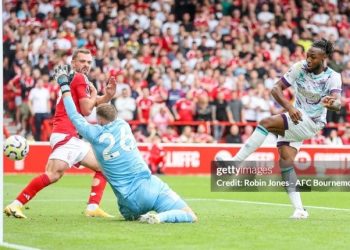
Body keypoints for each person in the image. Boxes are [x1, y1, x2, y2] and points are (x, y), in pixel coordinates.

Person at [216, 39, 342, 219]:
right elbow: (276, 89)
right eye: (307, 55)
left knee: (266, 122)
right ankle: (299, 209)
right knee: (285, 162)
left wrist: (333, 104)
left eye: (313, 57)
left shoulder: (333, 76)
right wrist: (289, 108)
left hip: (312, 122)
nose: (308, 59)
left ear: (324, 58)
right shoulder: (299, 68)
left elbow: (337, 103)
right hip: (296, 117)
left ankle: (234, 163)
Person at [57, 66, 197, 224]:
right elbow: (108, 112)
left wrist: (64, 86)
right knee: (190, 215)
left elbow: (74, 115)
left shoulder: (95, 135)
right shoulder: (124, 124)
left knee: (130, 216)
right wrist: (106, 96)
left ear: (99, 120)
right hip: (152, 186)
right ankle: (159, 217)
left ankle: (144, 216)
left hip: (130, 202)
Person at [4, 49, 116, 219]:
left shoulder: (78, 79)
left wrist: (107, 95)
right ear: (73, 63)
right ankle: (15, 204)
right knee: (53, 174)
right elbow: (87, 109)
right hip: (66, 134)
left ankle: (93, 207)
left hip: (69, 135)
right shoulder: (78, 78)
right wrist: (95, 94)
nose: (86, 65)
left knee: (104, 167)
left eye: (88, 62)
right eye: (82, 61)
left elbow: (91, 104)